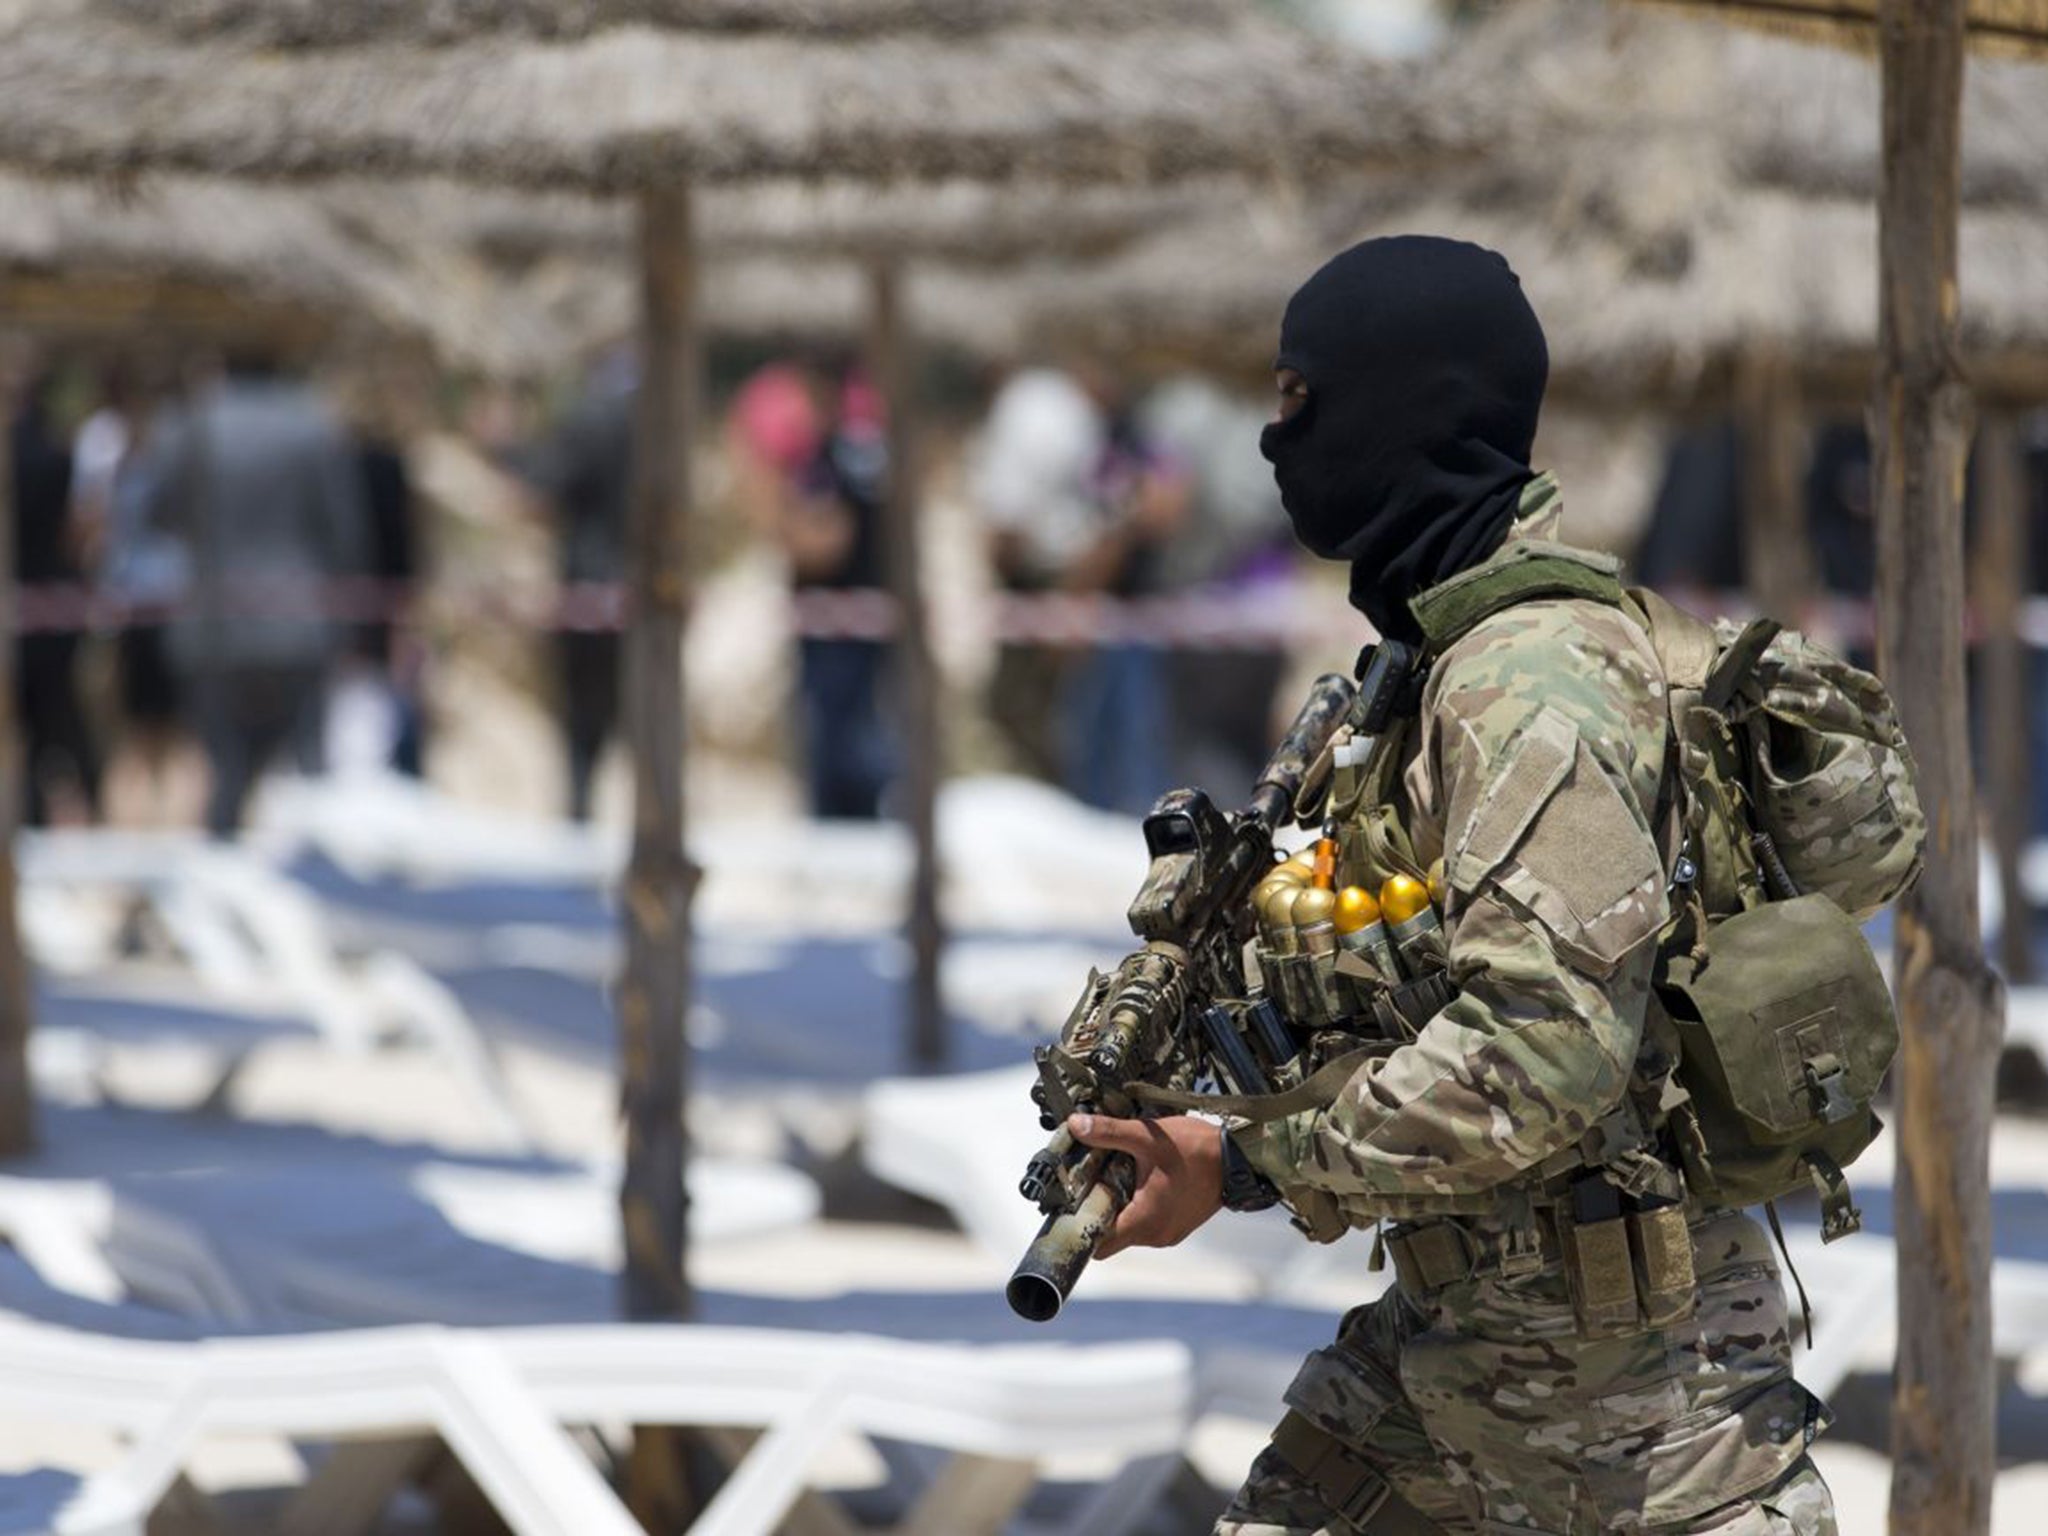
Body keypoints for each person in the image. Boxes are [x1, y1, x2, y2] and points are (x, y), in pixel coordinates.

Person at [1066, 238, 1838, 1533]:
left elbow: (1545, 1053)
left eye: (1301, 400)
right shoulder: (1426, 666)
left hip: (1632, 1428)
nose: (1273, 443)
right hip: (1459, 1364)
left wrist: (1244, 1163)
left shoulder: (1531, 684)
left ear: (1403, 408)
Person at [137, 350, 368, 836]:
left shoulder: (190, 423)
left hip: (214, 623)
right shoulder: (312, 425)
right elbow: (345, 532)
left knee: (226, 780)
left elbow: (155, 513)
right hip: (299, 622)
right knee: (307, 781)